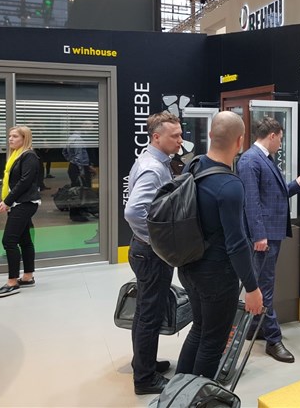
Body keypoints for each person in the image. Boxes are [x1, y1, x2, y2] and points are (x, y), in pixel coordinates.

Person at [176, 111, 264, 377]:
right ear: (240, 141)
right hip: (216, 277)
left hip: (188, 266)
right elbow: (237, 243)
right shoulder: (230, 185)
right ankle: (196, 395)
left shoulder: (193, 165)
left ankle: (178, 391)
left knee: (199, 329)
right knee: (213, 342)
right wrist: (252, 288)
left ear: (210, 135)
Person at [237, 116, 300, 363]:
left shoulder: (263, 159)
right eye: (280, 138)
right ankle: (273, 340)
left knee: (262, 283)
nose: (280, 143)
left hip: (270, 233)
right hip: (263, 236)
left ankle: (254, 327)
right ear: (272, 135)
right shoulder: (250, 161)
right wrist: (259, 235)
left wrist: (296, 184)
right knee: (264, 286)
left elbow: (273, 194)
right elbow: (251, 201)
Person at [124, 111, 183, 395]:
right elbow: (134, 211)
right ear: (157, 137)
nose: (180, 141)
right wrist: (156, 241)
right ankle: (145, 379)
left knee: (145, 311)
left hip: (144, 250)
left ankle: (143, 362)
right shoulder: (153, 168)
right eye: (175, 136)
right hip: (150, 253)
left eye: (180, 135)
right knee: (150, 314)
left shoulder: (154, 161)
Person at [0, 126, 40, 298]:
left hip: (24, 203)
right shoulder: (17, 155)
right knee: (24, 240)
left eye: (15, 136)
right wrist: (8, 201)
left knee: (9, 241)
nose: (10, 139)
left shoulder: (29, 156)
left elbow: (25, 182)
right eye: (9, 136)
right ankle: (28, 277)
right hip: (18, 203)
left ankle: (12, 282)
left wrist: (7, 201)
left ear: (24, 138)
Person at [63, 121, 94, 222]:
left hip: (74, 166)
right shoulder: (78, 139)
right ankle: (76, 214)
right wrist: (82, 170)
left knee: (76, 191)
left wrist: (71, 160)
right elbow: (79, 157)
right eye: (90, 126)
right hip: (79, 168)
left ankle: (81, 211)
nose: (92, 128)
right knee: (78, 191)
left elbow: (64, 152)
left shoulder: (71, 138)